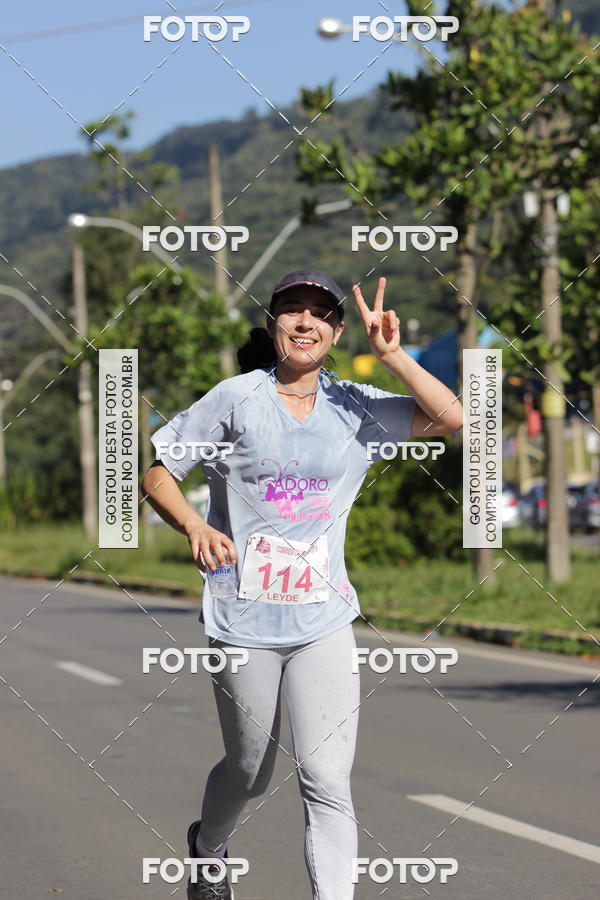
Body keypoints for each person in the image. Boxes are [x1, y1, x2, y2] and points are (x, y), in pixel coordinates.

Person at [142, 268, 464, 900]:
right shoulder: (235, 397)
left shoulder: (356, 406)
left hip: (324, 620)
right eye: (293, 309)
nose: (306, 321)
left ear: (337, 331)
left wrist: (393, 357)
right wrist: (193, 528)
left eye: (321, 313)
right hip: (243, 620)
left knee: (326, 778)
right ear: (274, 323)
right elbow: (158, 471)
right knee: (250, 770)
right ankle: (208, 850)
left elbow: (452, 419)